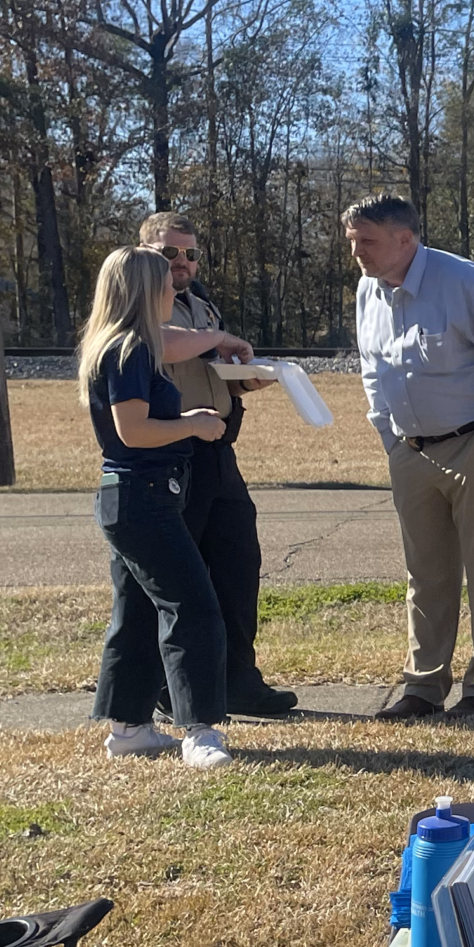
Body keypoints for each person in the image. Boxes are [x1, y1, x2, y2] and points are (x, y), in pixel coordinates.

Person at [344, 193, 474, 720]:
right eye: (353, 241)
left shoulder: (461, 281)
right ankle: (423, 687)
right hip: (410, 452)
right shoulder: (368, 291)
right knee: (425, 576)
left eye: (367, 241)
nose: (357, 252)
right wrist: (390, 438)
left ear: (404, 239)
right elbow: (373, 368)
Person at [79, 245, 238, 769]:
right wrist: (193, 424)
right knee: (193, 606)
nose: (174, 288)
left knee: (139, 610)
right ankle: (199, 730)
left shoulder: (123, 346)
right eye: (165, 281)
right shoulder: (130, 350)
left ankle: (128, 727)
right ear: (145, 291)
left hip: (133, 498)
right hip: (141, 498)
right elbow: (133, 431)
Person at [138, 212, 298, 719]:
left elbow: (210, 373)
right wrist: (217, 339)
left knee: (237, 563)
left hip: (216, 451)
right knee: (180, 577)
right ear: (146, 254)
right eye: (170, 252)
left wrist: (250, 379)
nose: (181, 262)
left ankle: (238, 679)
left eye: (190, 254)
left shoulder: (200, 306)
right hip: (169, 453)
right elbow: (160, 343)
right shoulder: (138, 303)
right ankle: (171, 686)